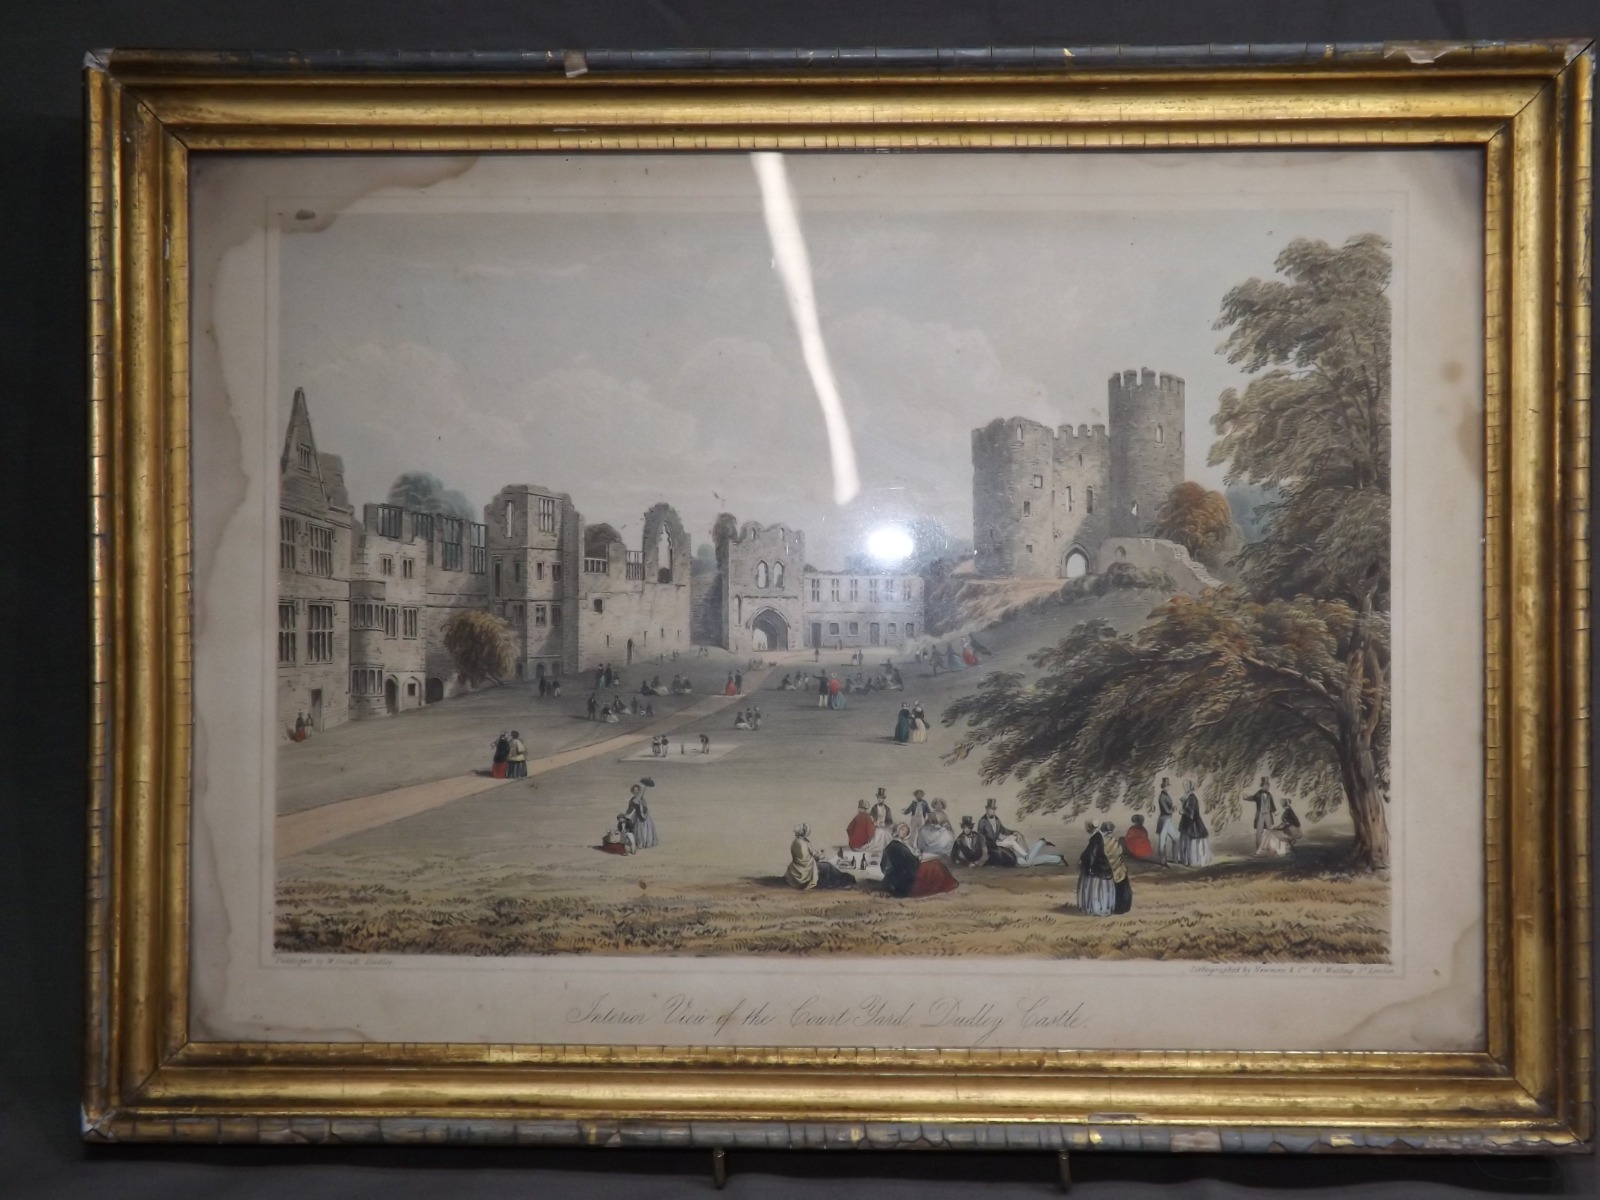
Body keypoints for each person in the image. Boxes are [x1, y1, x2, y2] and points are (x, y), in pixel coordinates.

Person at [880, 824, 959, 898]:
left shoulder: (898, 845)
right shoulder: (896, 846)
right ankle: (948, 885)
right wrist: (918, 859)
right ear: (897, 830)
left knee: (936, 864)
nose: (904, 832)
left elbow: (884, 865)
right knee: (936, 867)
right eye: (902, 829)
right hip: (907, 877)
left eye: (906, 831)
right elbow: (910, 862)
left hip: (904, 873)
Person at [978, 798, 1062, 866]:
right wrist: (984, 854)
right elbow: (981, 838)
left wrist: (1014, 832)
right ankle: (1055, 857)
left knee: (1028, 860)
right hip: (994, 847)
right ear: (986, 809)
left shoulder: (996, 820)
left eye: (993, 809)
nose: (992, 811)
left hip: (1001, 848)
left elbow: (1004, 830)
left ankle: (1050, 853)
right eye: (990, 809)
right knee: (1029, 860)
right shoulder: (982, 822)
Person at [785, 824, 856, 891]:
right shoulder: (804, 843)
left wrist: (816, 857)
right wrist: (820, 856)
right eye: (806, 830)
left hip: (797, 867)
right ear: (803, 832)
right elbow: (809, 857)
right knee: (828, 867)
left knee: (826, 866)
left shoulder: (795, 842)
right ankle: (844, 880)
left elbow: (805, 856)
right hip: (806, 868)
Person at [1077, 822, 1116, 916]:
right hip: (1101, 866)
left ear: (1090, 827)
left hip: (1097, 868)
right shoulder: (1098, 836)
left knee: (1095, 889)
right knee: (1100, 889)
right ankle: (1100, 907)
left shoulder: (1096, 837)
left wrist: (1089, 866)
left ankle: (1096, 908)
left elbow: (1092, 853)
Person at [1178, 781, 1212, 867]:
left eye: (1186, 786)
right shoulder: (1187, 796)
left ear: (1190, 787)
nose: (1185, 787)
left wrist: (1183, 810)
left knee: (1192, 842)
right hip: (1187, 823)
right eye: (1184, 785)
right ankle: (1186, 860)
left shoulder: (1192, 797)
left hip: (1193, 824)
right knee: (1186, 842)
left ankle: (1194, 861)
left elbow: (1191, 813)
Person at [1248, 776, 1277, 854]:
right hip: (1260, 815)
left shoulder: (1269, 794)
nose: (1267, 787)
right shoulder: (1258, 794)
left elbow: (1272, 804)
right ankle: (1258, 849)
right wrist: (1246, 798)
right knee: (1258, 832)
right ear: (1262, 785)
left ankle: (1271, 848)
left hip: (1268, 815)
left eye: (1268, 785)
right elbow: (1253, 798)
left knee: (1270, 831)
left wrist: (1274, 811)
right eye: (1266, 785)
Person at [625, 780, 658, 849]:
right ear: (633, 791)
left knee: (644, 829)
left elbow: (645, 807)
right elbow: (630, 808)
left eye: (637, 790)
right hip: (637, 815)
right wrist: (626, 814)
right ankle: (639, 843)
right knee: (637, 829)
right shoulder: (632, 800)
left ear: (638, 791)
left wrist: (641, 804)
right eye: (634, 790)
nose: (636, 791)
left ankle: (645, 843)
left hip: (644, 816)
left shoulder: (641, 799)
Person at [1154, 777, 1179, 867]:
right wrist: (1173, 809)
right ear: (1163, 787)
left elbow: (1169, 809)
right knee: (1162, 842)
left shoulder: (1166, 795)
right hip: (1163, 821)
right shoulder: (1162, 797)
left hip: (1168, 820)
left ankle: (1175, 858)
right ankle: (1163, 861)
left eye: (1168, 786)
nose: (1167, 787)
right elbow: (1167, 810)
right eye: (1166, 786)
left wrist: (1172, 808)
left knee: (1176, 839)